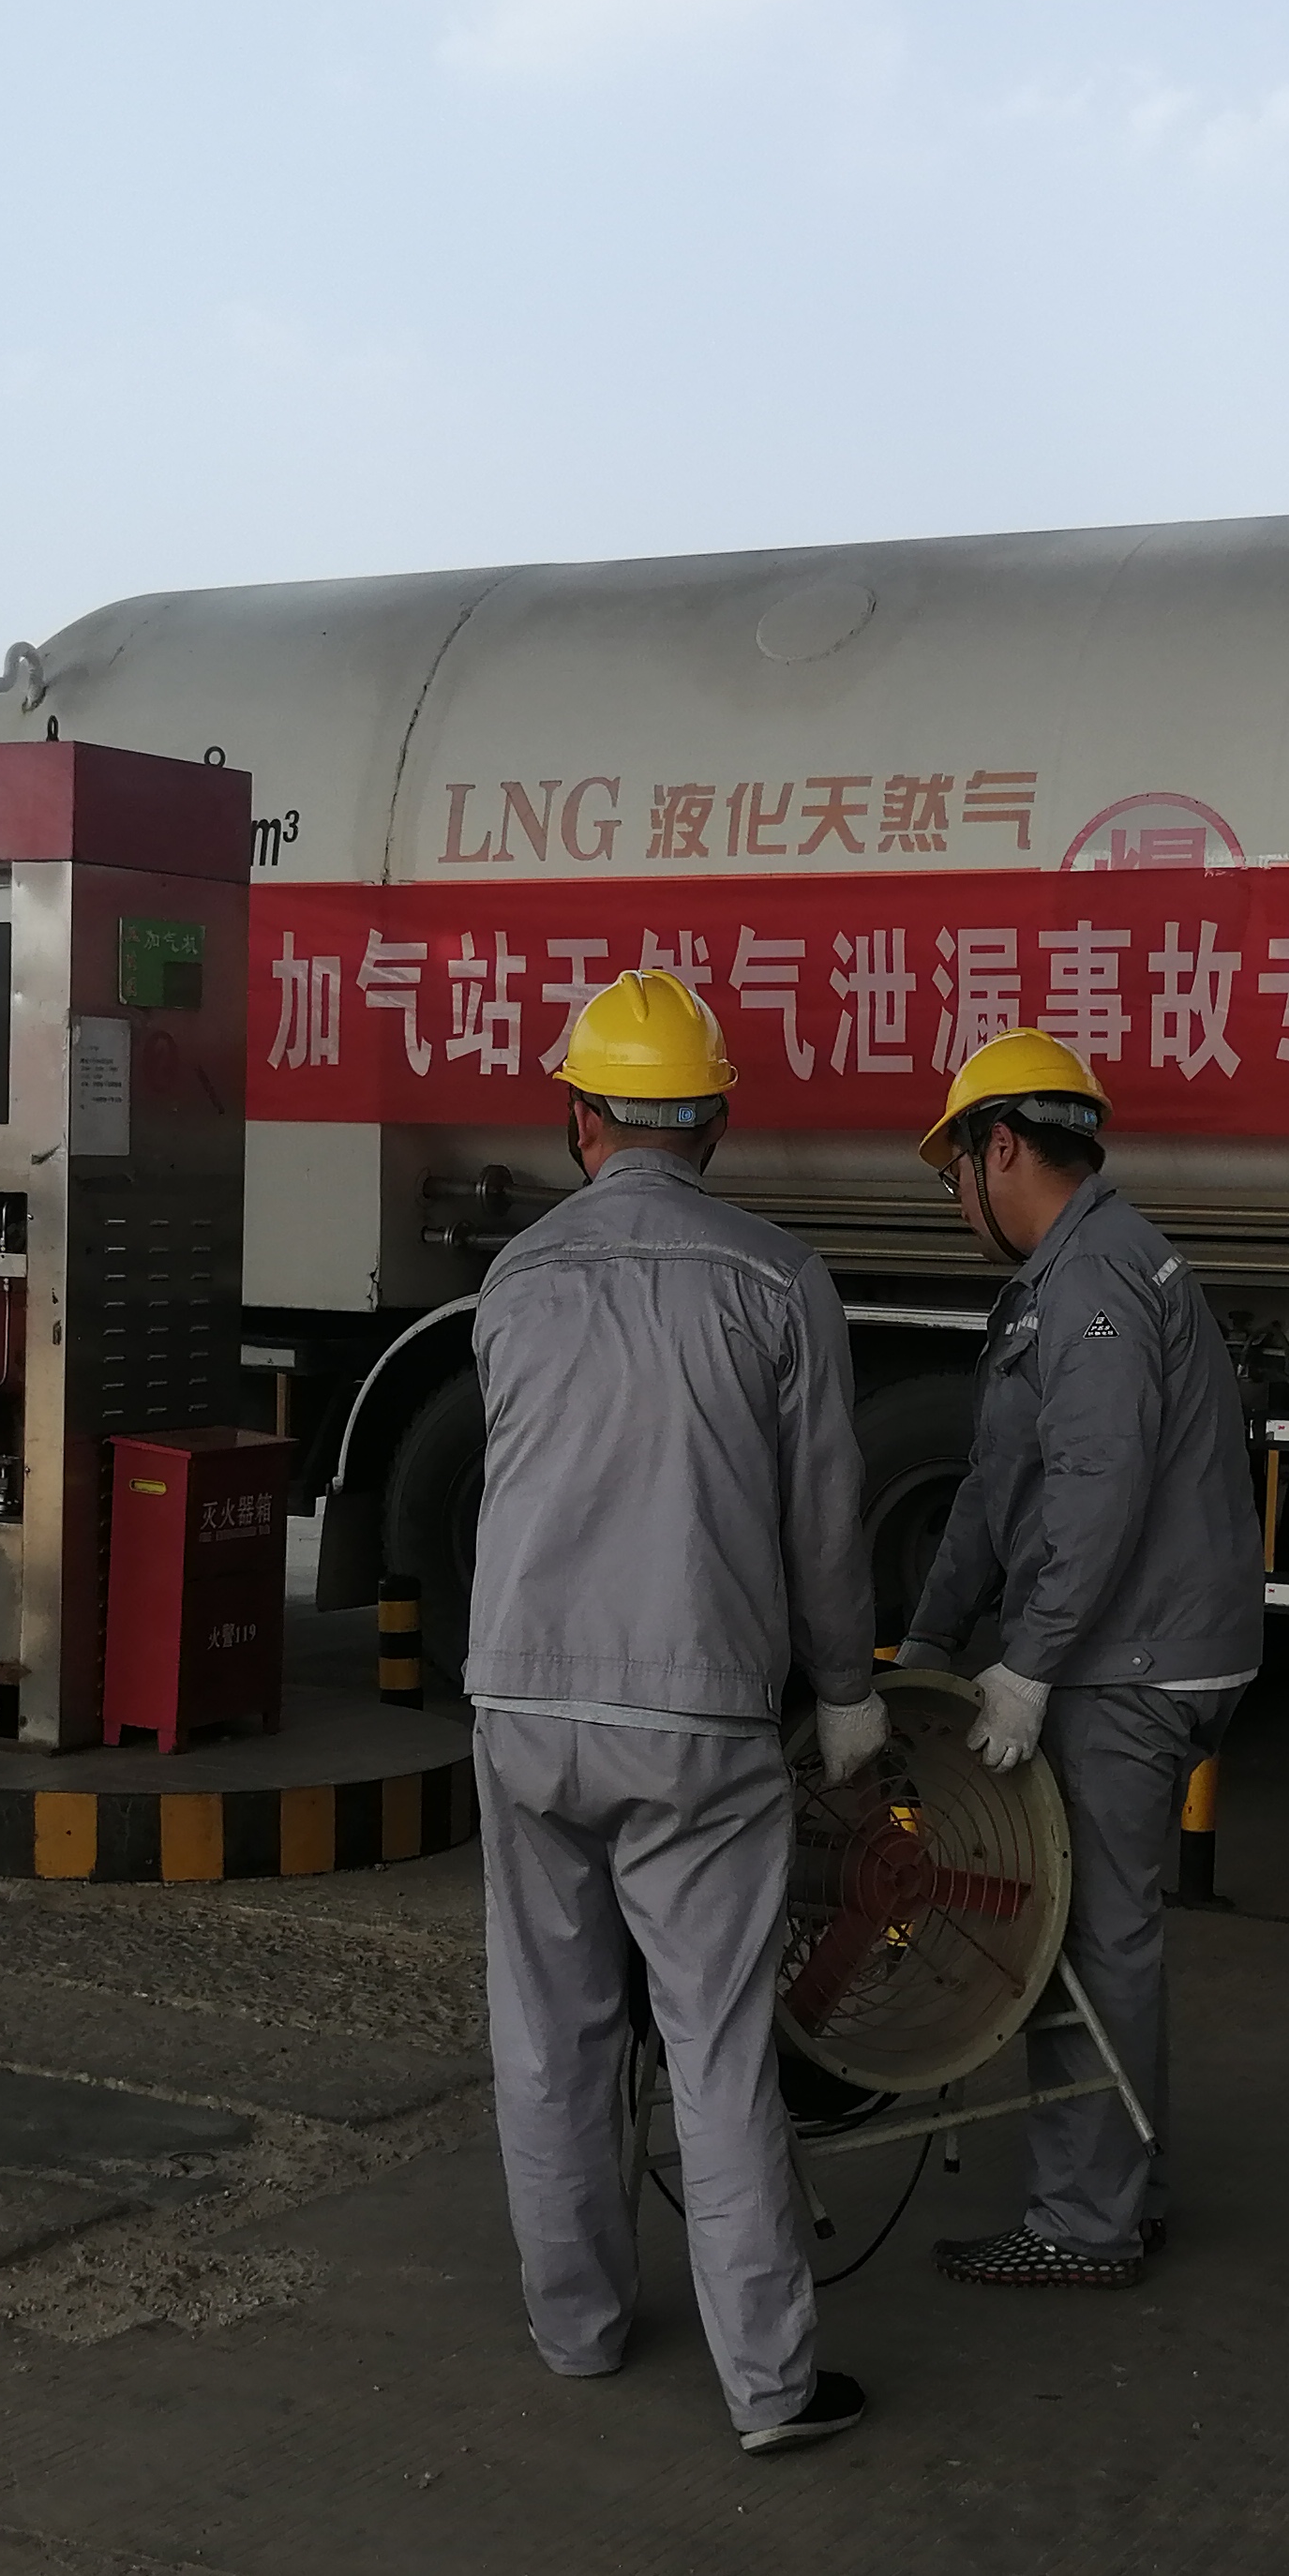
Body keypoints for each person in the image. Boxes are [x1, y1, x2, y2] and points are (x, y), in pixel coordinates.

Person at [465, 969, 891, 2457]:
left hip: (523, 1697)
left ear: (580, 1119)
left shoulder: (515, 1280)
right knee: (715, 2044)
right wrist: (847, 1696)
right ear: (713, 1123)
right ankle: (768, 2387)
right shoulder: (779, 1281)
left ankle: (576, 2327)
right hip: (696, 1713)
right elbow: (824, 1521)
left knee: (548, 2033)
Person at [903, 1030, 1262, 2287]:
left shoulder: (1092, 1279)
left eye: (954, 1171)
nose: (956, 1199)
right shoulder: (1081, 1268)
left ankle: (1081, 2226)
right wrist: (932, 1639)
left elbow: (1098, 1485)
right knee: (1104, 1932)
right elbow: (999, 1484)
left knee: (1084, 1937)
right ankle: (1125, 2193)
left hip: (1132, 1659)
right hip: (1153, 1644)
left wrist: (1030, 1664)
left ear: (999, 1147)